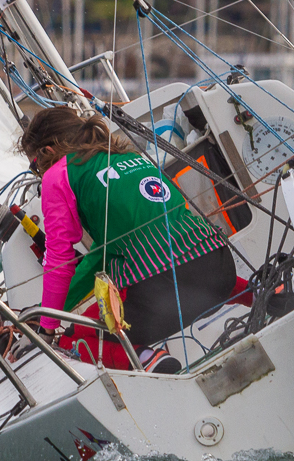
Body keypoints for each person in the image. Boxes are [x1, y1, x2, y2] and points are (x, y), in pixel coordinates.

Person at [19, 106, 236, 373]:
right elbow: (102, 253)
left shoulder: (58, 175)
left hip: (167, 294)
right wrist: (48, 309)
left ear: (48, 152)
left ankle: (147, 358)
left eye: (34, 166)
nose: (38, 173)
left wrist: (48, 328)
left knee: (76, 335)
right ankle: (265, 292)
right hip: (223, 271)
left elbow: (60, 260)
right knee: (187, 252)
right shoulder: (126, 154)